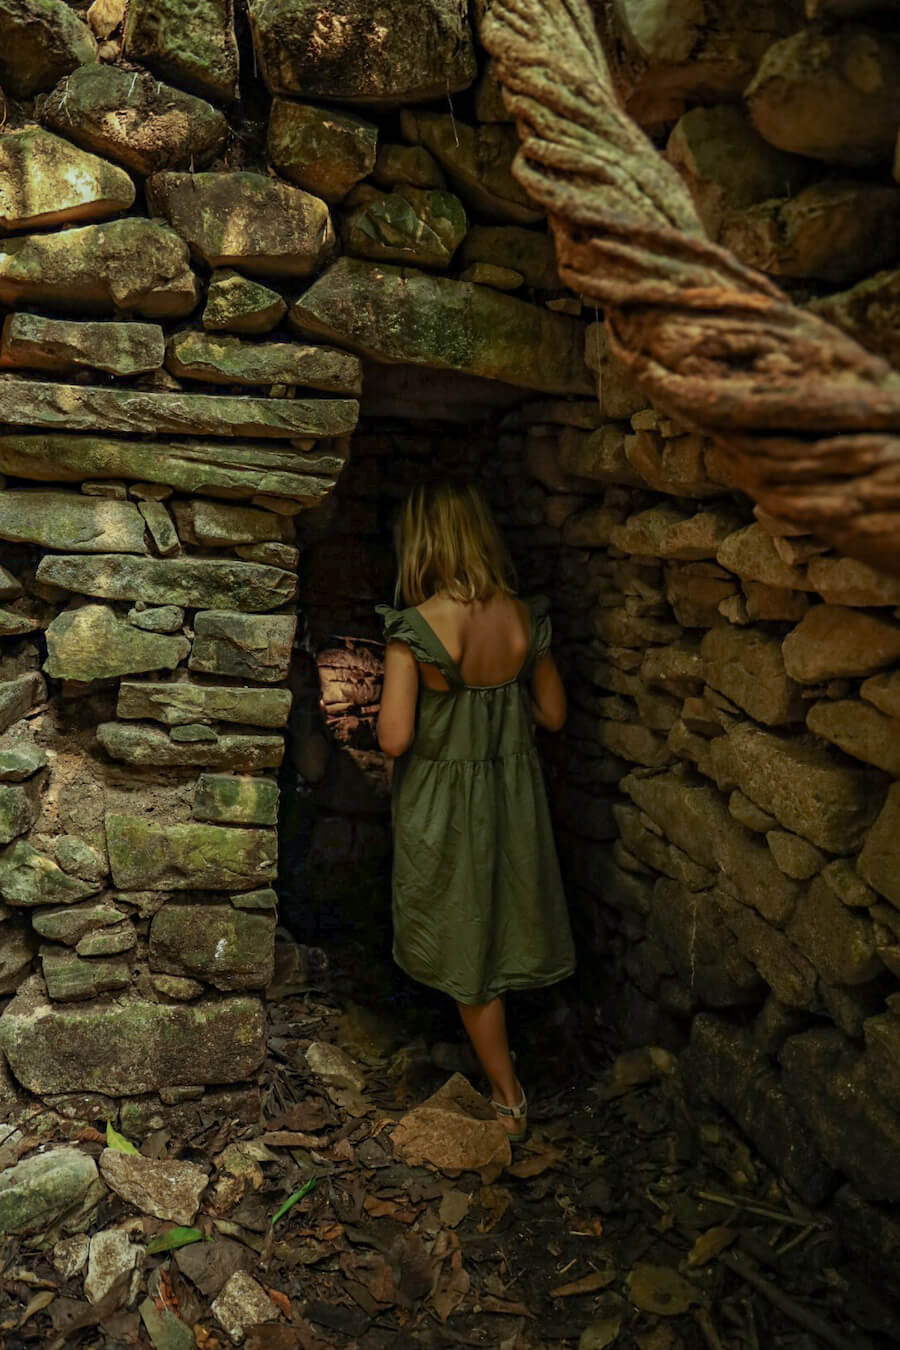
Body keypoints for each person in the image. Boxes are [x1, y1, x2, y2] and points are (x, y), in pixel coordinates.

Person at [375, 480, 576, 1144]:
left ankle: (507, 1097)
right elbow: (552, 715)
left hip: (446, 804)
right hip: (510, 794)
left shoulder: (416, 630)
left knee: (465, 944)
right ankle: (512, 1067)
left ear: (424, 542)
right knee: (503, 919)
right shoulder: (522, 618)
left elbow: (396, 737)